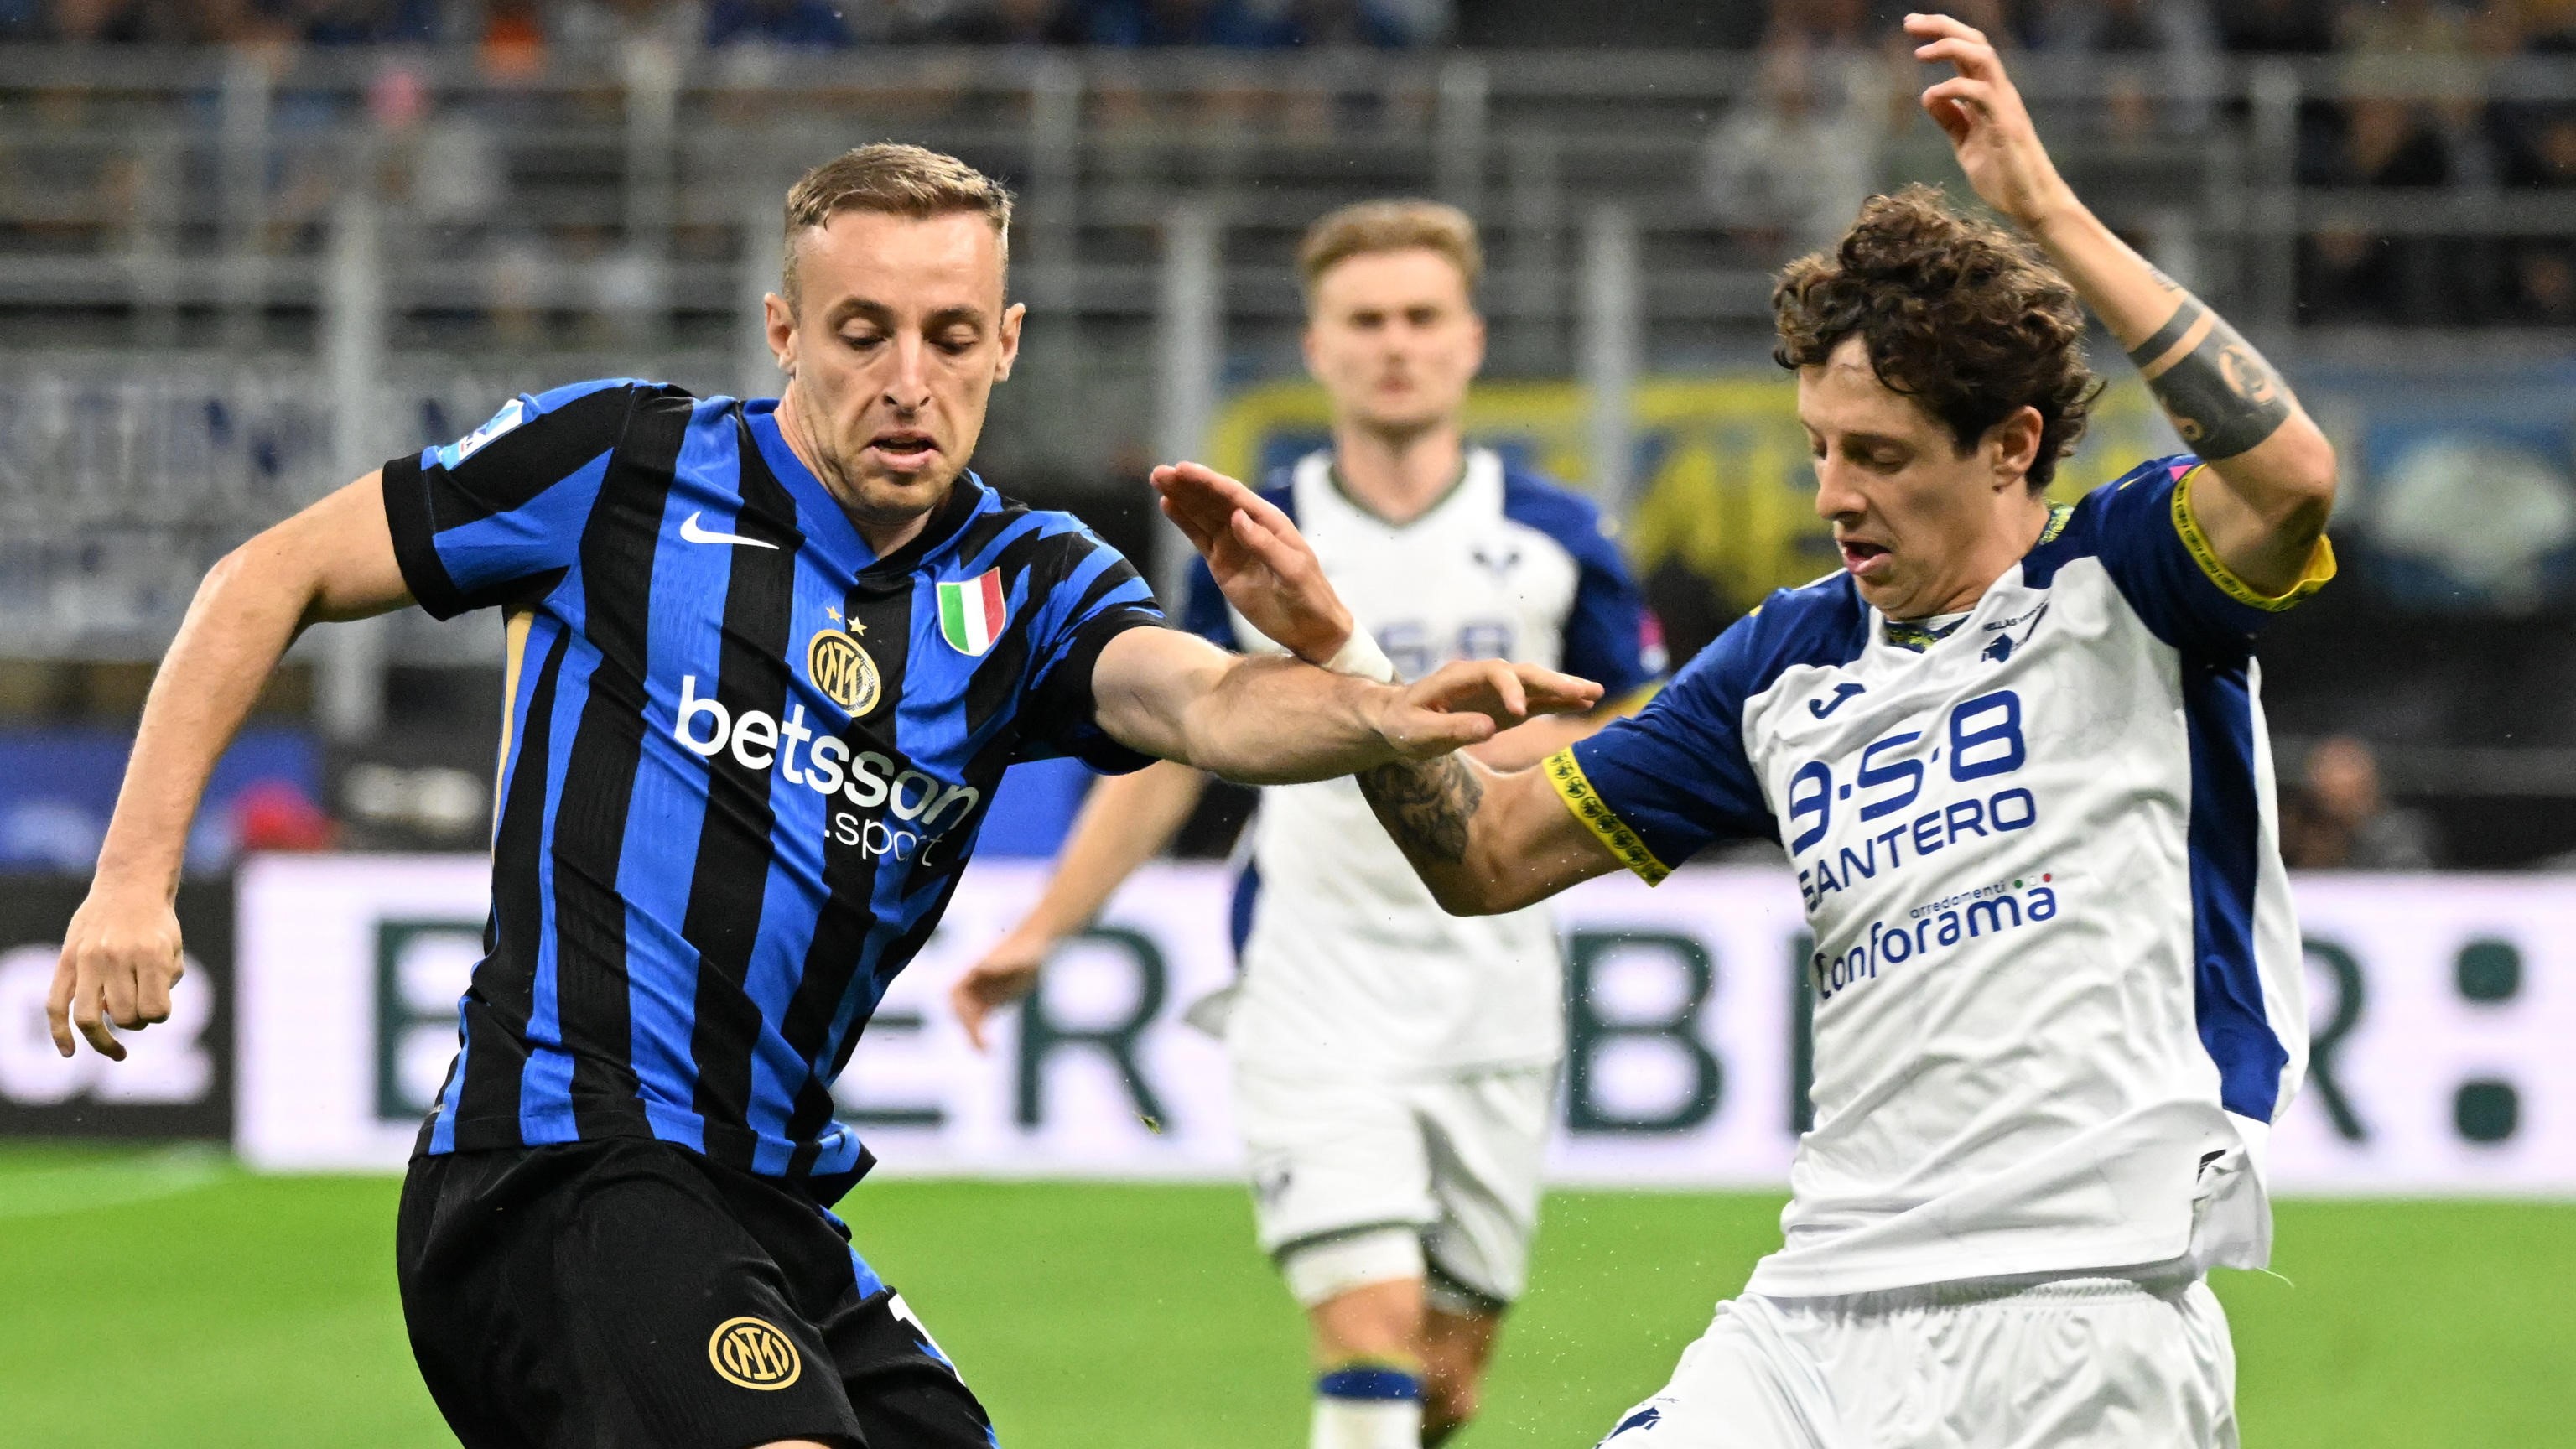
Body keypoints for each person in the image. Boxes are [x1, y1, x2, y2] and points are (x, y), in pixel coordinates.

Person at [44, 143, 1598, 1449]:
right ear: (784, 329)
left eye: (950, 335)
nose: (909, 381)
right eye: (864, 332)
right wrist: (132, 877)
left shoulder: (1031, 580)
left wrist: (1372, 694)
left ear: (1007, 342)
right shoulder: (621, 467)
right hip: (553, 1168)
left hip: (773, 1204)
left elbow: (1199, 701)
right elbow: (270, 575)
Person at [1158, 15, 2338, 1446]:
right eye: (1819, 449)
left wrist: (2049, 215)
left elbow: (2288, 475)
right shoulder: (1785, 661)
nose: (1833, 494)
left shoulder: (2128, 577)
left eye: (1879, 457)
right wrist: (1345, 661)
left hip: (2086, 1311)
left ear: (2013, 445)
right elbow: (1488, 855)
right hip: (1818, 1307)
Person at [948, 199, 1659, 1449]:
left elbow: (1638, 722)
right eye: (1365, 320)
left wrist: (1470, 742)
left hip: (1495, 994)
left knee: (1443, 1379)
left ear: (1470, 340)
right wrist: (1044, 930)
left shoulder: (1558, 535)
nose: (1396, 343)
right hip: (1312, 984)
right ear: (1318, 346)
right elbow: (1169, 753)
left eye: (1421, 316)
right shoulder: (1254, 540)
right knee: (1369, 1325)